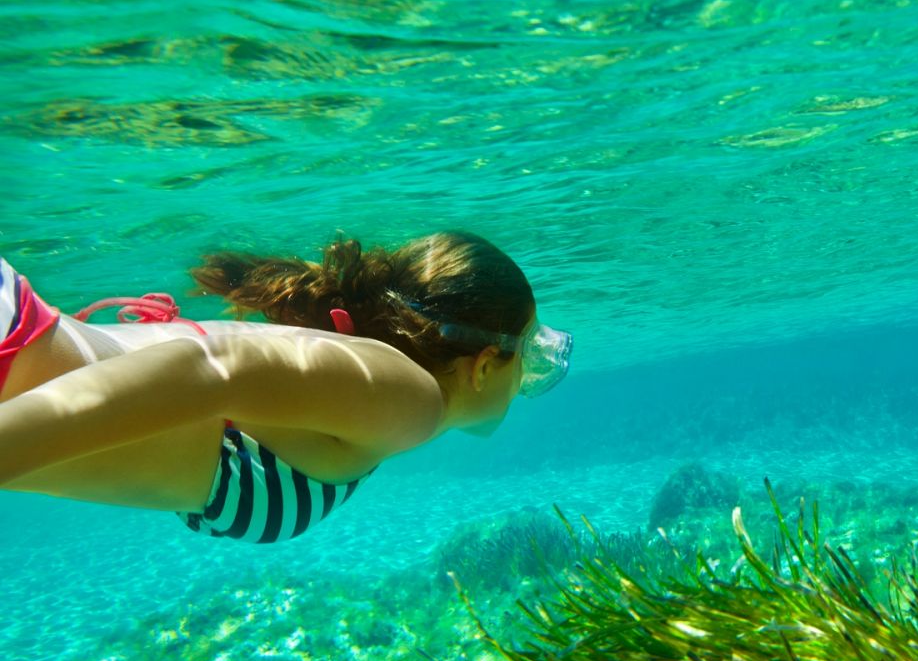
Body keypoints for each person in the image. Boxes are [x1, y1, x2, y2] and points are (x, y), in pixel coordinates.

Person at [0, 232, 571, 544]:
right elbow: (217, 369)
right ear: (484, 365)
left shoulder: (376, 397)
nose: (529, 379)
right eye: (531, 354)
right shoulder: (412, 401)